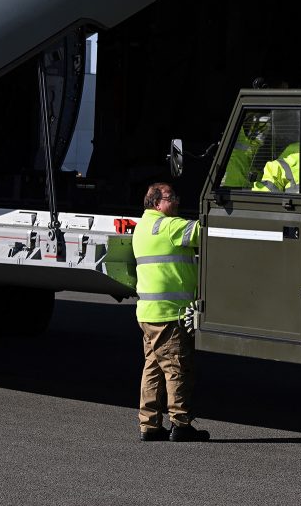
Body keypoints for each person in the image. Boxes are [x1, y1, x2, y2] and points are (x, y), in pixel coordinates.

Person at [133, 183, 210, 442]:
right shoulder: (169, 226)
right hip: (169, 313)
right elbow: (206, 232)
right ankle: (181, 423)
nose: (176, 201)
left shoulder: (142, 226)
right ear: (157, 203)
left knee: (153, 368)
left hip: (148, 313)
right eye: (170, 198)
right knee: (177, 367)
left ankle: (150, 425)